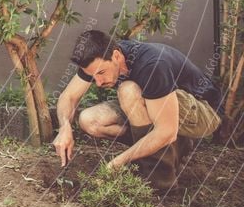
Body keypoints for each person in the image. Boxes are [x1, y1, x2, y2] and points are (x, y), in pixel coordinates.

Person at [53, 30, 222, 191]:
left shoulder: (153, 64)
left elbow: (167, 131)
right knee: (89, 120)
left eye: (102, 73)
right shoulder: (100, 59)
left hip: (204, 113)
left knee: (128, 91)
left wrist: (117, 162)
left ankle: (160, 181)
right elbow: (68, 97)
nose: (98, 82)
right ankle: (176, 146)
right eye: (93, 76)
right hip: (162, 107)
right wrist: (64, 126)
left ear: (116, 56)